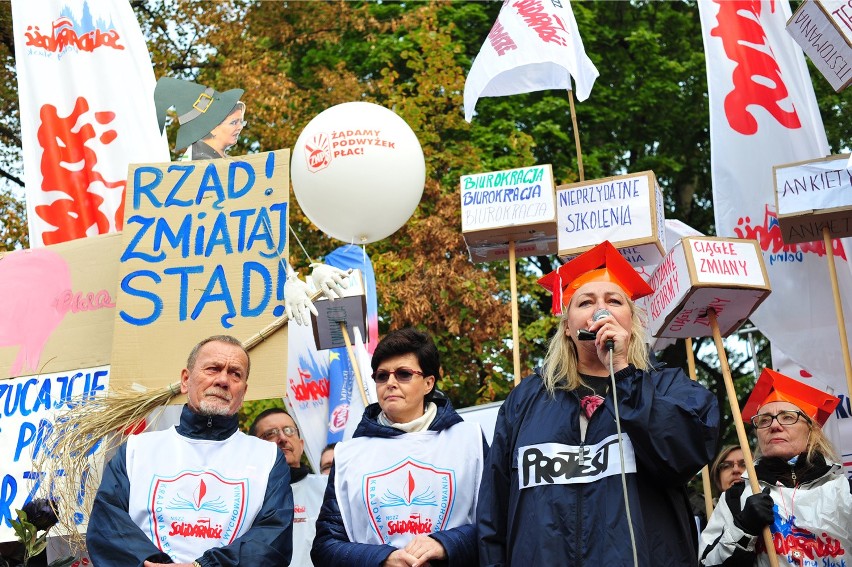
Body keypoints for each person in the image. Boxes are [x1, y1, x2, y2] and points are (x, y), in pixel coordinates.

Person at [477, 240, 720, 566]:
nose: (600, 310)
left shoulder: (668, 387)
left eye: (614, 300)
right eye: (586, 302)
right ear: (567, 327)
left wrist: (622, 372)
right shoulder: (526, 400)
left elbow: (681, 456)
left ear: (631, 325)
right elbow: (495, 510)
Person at [86, 335, 293, 566]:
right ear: (186, 380)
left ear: (243, 392)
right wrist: (150, 562)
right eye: (213, 369)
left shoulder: (267, 458)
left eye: (235, 374)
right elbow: (107, 522)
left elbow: (272, 539)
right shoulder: (137, 450)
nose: (223, 380)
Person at [312, 328, 486, 567]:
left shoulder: (470, 440)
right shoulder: (348, 455)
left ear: (428, 383)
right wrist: (382, 559)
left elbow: (499, 525)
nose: (390, 383)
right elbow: (325, 546)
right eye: (382, 376)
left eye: (403, 374)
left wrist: (445, 544)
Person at [699, 368, 851, 566]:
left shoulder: (844, 491)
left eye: (787, 417)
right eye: (764, 420)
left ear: (811, 429)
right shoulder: (736, 498)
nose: (774, 425)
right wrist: (743, 528)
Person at [250, 408, 327, 567]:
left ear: (301, 444)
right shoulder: (246, 496)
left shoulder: (328, 488)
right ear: (255, 448)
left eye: (289, 430)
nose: (283, 438)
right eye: (270, 433)